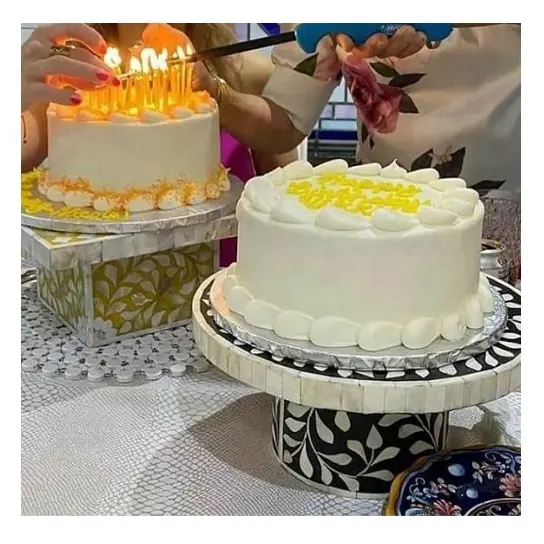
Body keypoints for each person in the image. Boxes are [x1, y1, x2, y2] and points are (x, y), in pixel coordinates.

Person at [20, 23, 298, 266]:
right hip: (103, 296)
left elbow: (289, 203)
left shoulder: (249, 74)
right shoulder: (65, 76)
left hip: (224, 287)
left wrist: (219, 95)